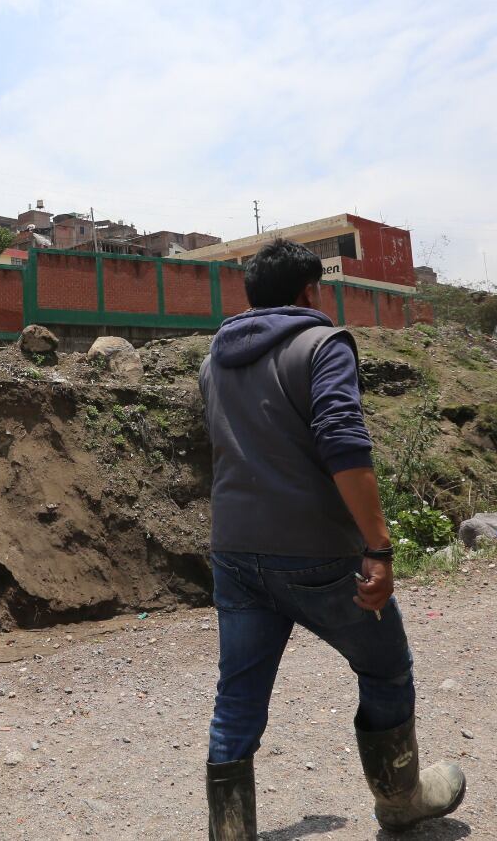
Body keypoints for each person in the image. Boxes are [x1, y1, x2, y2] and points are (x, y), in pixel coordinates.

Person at [199, 239, 466, 838]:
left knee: (237, 697)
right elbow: (343, 442)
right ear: (308, 293)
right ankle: (400, 800)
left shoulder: (213, 360)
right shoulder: (324, 345)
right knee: (387, 671)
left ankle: (230, 833)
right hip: (318, 555)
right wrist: (378, 545)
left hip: (235, 553)